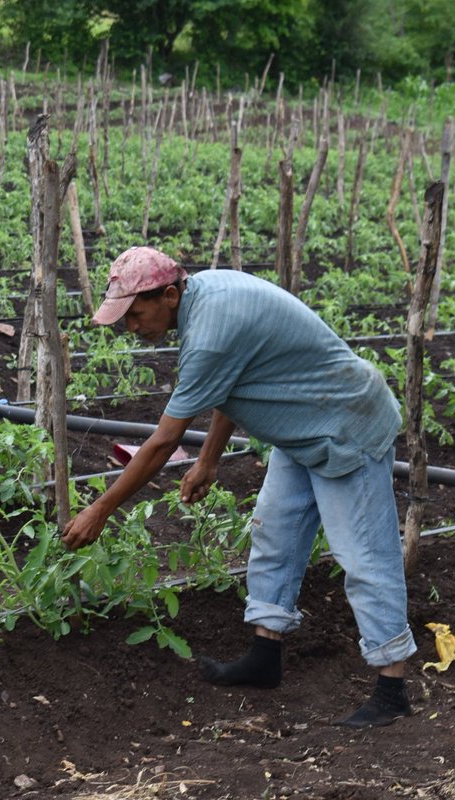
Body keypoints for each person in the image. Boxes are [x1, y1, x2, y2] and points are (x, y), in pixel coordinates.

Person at [61, 246, 417, 728]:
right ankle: (264, 658)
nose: (132, 328)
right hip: (301, 428)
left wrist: (101, 509)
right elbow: (236, 378)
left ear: (168, 295)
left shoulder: (208, 331)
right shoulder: (203, 298)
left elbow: (165, 440)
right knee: (274, 533)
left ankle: (391, 689)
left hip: (345, 425)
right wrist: (208, 460)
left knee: (364, 557)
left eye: (135, 315)